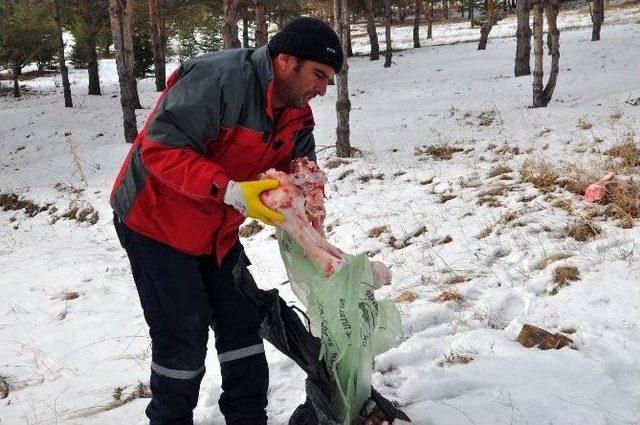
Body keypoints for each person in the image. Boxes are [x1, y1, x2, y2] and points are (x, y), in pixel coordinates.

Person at [110, 17, 342, 425]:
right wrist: (232, 190)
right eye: (319, 75)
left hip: (216, 228)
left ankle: (247, 417)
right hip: (156, 220)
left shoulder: (296, 111)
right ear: (286, 60)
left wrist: (308, 205)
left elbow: (300, 169)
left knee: (241, 322)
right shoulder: (218, 79)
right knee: (182, 335)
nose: (323, 89)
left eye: (329, 80)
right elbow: (160, 150)